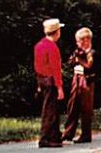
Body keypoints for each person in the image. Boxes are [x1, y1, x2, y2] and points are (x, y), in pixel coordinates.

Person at [34, 18, 65, 148]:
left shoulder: (39, 45)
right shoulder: (53, 47)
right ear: (56, 32)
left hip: (41, 79)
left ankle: (55, 136)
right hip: (50, 80)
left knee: (51, 109)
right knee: (50, 110)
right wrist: (59, 87)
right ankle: (45, 138)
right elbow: (55, 68)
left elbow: (37, 66)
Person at [62, 27, 96, 143]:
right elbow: (70, 62)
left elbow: (89, 66)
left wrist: (79, 60)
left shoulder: (92, 53)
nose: (78, 44)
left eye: (79, 41)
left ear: (86, 40)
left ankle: (86, 134)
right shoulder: (78, 51)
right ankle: (68, 132)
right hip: (76, 79)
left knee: (86, 108)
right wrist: (74, 59)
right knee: (72, 105)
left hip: (87, 81)